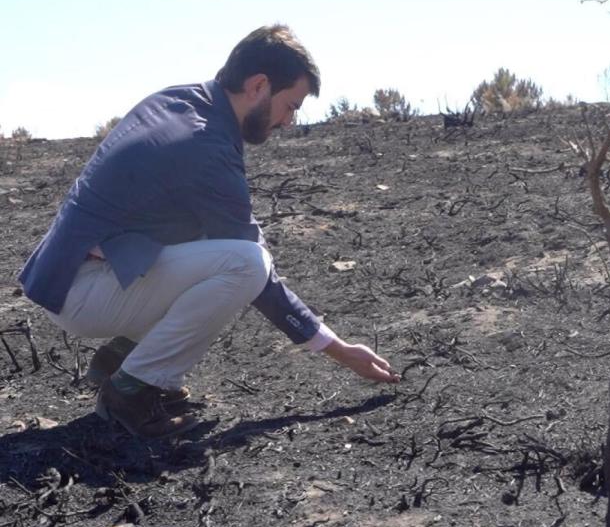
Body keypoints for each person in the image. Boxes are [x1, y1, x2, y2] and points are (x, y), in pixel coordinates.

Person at [18, 24, 399, 440]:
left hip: (70, 278)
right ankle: (130, 391)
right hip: (83, 292)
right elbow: (255, 266)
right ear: (258, 85)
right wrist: (339, 350)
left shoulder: (180, 102)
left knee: (217, 248)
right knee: (246, 264)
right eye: (291, 106)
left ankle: (122, 358)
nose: (289, 122)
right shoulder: (204, 144)